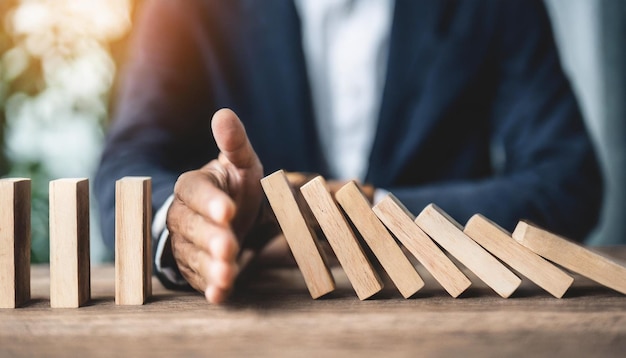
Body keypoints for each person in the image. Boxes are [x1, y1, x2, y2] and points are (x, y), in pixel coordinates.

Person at [94, 0, 604, 304]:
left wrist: (375, 211)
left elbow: (568, 178)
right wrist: (183, 224)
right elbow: (127, 162)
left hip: (447, 320)